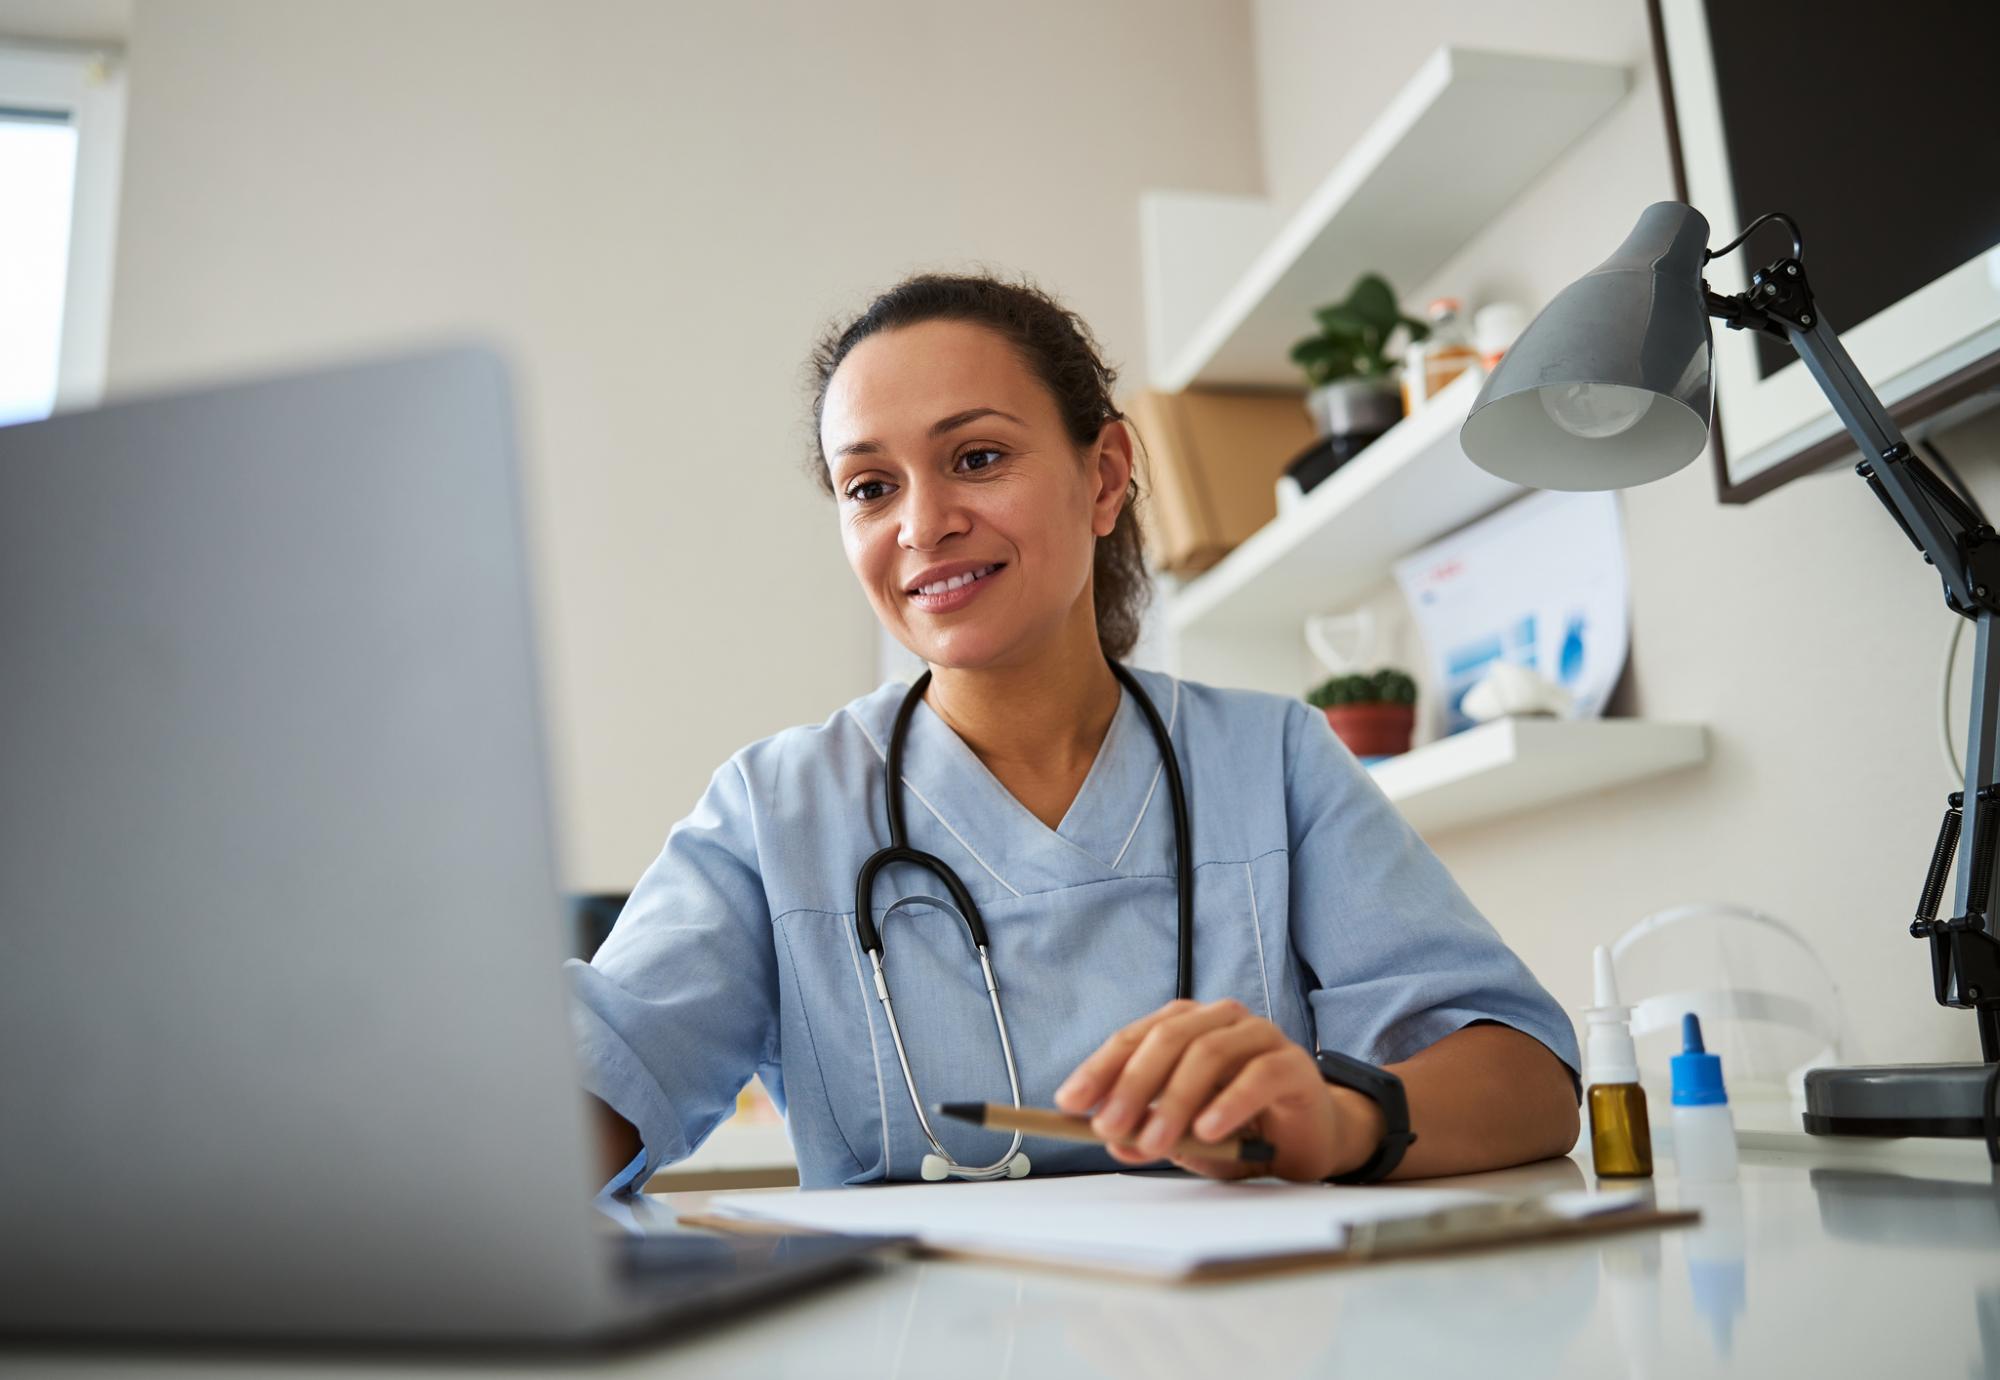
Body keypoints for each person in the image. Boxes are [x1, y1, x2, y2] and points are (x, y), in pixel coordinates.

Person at [567, 272, 1580, 1192]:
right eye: (869, 487)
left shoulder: (1269, 761)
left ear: (1101, 479)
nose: (921, 525)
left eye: (976, 457)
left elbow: (1526, 1081)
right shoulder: (773, 812)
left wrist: (1337, 1118)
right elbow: (589, 1099)